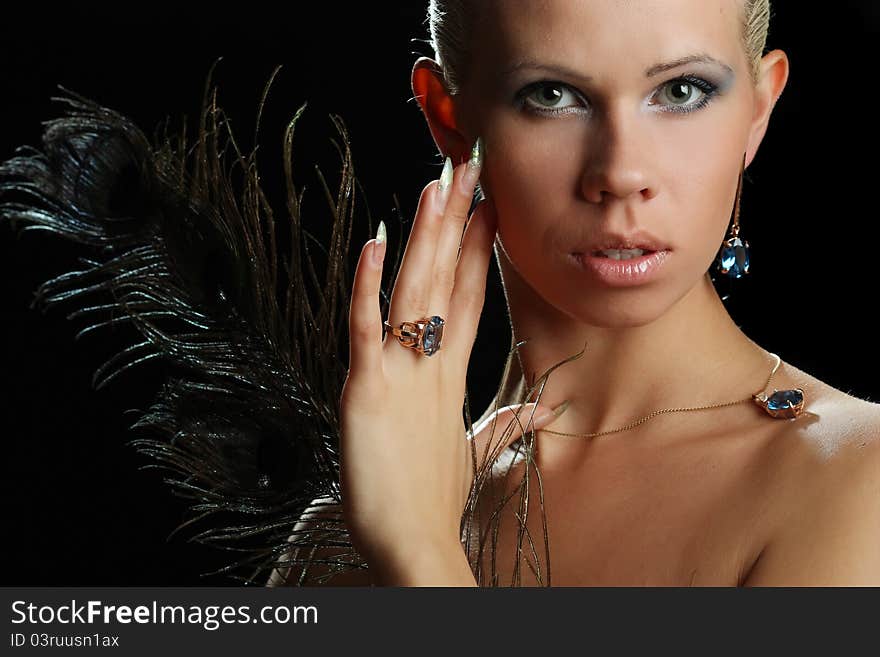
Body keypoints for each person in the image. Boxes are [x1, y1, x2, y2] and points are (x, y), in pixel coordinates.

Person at [268, 0, 880, 587]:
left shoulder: (857, 479)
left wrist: (420, 555)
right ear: (448, 120)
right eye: (552, 95)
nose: (619, 174)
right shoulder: (343, 532)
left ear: (758, 111)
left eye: (680, 91)